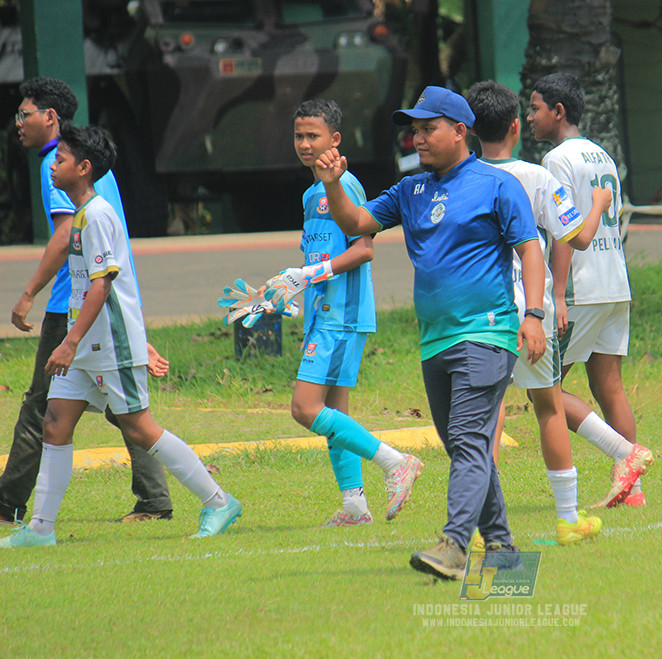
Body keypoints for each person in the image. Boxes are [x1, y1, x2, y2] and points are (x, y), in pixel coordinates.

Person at [314, 85, 547, 580]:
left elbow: (530, 248)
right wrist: (334, 184)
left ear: (460, 131)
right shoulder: (411, 189)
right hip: (436, 339)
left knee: (466, 439)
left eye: (428, 128)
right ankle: (503, 548)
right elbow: (358, 220)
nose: (417, 138)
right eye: (414, 130)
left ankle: (454, 546)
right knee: (463, 445)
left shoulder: (496, 185)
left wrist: (534, 314)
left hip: (486, 333)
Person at [0, 126, 243, 549]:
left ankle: (219, 501)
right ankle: (41, 528)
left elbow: (102, 286)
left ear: (84, 168)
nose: (53, 166)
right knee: (55, 422)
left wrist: (70, 341)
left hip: (105, 343)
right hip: (86, 344)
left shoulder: (95, 215)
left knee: (139, 427)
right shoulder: (82, 213)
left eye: (61, 160)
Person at [1, 77, 172, 527]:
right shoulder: (92, 158)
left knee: (42, 404)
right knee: (120, 409)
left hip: (74, 301)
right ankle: (157, 498)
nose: (18, 123)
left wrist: (27, 293)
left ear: (50, 118)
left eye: (25, 114)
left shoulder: (60, 163)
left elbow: (63, 235)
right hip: (106, 297)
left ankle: (6, 505)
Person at [260, 99, 422, 526]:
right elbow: (314, 259)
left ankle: (395, 462)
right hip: (323, 314)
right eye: (299, 135)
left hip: (342, 317)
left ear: (335, 139)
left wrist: (309, 274)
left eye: (313, 136)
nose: (305, 144)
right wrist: (287, 292)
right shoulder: (311, 193)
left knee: (304, 408)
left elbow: (363, 250)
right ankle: (355, 506)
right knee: (336, 414)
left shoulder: (343, 186)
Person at [467, 80, 612, 545]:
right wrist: (598, 206)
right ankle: (569, 519)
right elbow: (579, 239)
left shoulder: (460, 178)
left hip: (481, 311)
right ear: (515, 126)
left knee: (486, 415)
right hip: (532, 309)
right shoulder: (539, 177)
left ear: (468, 131)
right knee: (548, 406)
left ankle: (474, 522)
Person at [528, 72, 653, 507]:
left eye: (535, 108)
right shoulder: (601, 154)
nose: (529, 118)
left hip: (581, 288)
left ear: (557, 112)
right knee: (610, 386)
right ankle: (631, 490)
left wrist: (557, 295)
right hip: (615, 281)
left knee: (543, 388)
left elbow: (567, 231)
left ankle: (626, 455)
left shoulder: (557, 160)